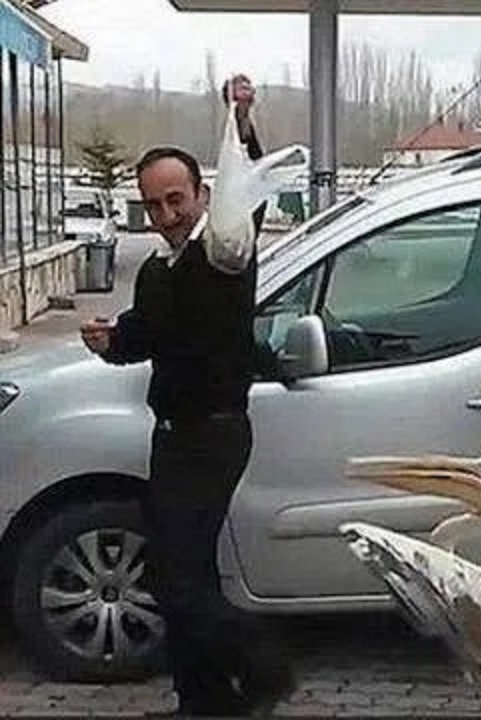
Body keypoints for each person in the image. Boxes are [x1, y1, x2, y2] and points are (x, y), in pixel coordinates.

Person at [79, 74, 293, 716]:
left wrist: (242, 120)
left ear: (202, 196)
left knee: (179, 582)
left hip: (214, 435)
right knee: (185, 577)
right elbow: (144, 337)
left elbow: (245, 193)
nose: (169, 215)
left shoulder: (226, 253)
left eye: (178, 200)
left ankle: (264, 666)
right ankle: (204, 703)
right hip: (172, 436)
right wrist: (108, 340)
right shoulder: (155, 269)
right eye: (156, 205)